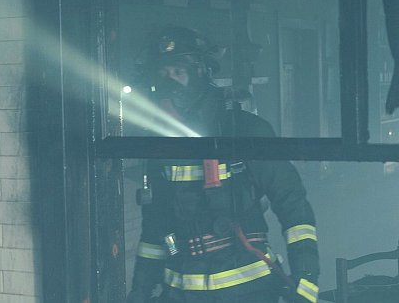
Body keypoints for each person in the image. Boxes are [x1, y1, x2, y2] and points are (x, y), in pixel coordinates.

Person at [126, 25, 319, 303]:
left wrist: (307, 277)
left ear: (202, 73)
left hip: (248, 292)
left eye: (179, 72)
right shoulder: (161, 143)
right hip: (181, 294)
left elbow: (292, 204)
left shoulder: (245, 131)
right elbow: (155, 226)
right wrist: (140, 290)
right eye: (163, 74)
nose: (171, 83)